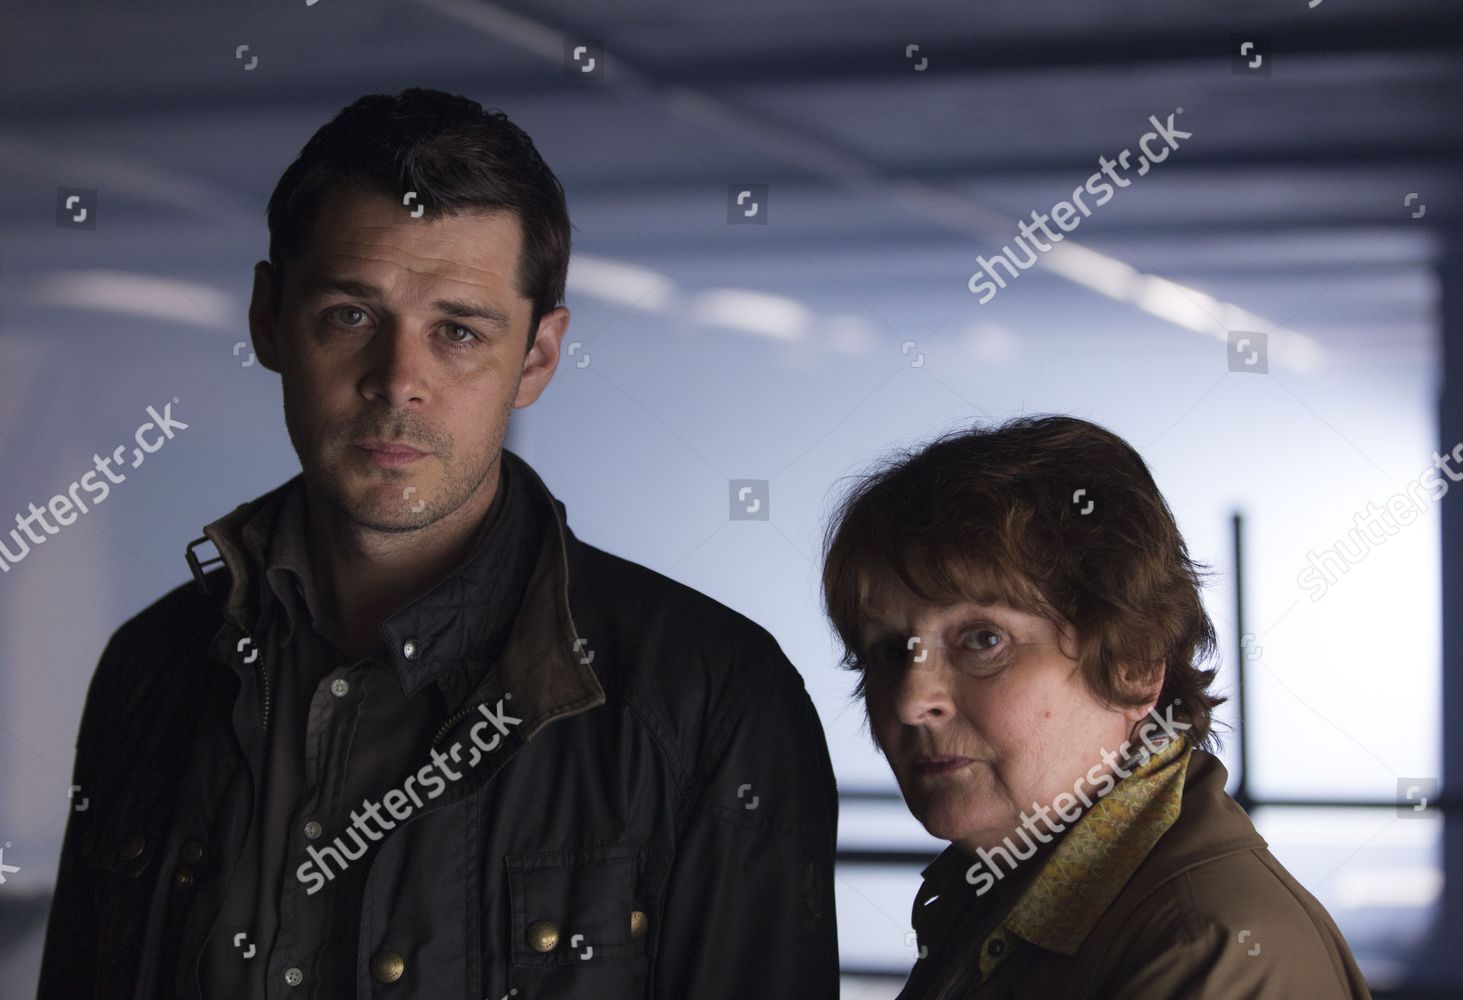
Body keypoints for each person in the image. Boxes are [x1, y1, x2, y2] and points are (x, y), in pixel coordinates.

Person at [38, 88, 838, 999]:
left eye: (457, 331)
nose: (398, 382)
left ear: (536, 358)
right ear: (268, 319)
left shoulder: (711, 697)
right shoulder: (152, 667)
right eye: (350, 315)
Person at [820, 415, 1371, 999]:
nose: (910, 700)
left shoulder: (1210, 952)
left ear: (1134, 663)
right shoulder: (995, 898)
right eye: (886, 651)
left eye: (984, 640)